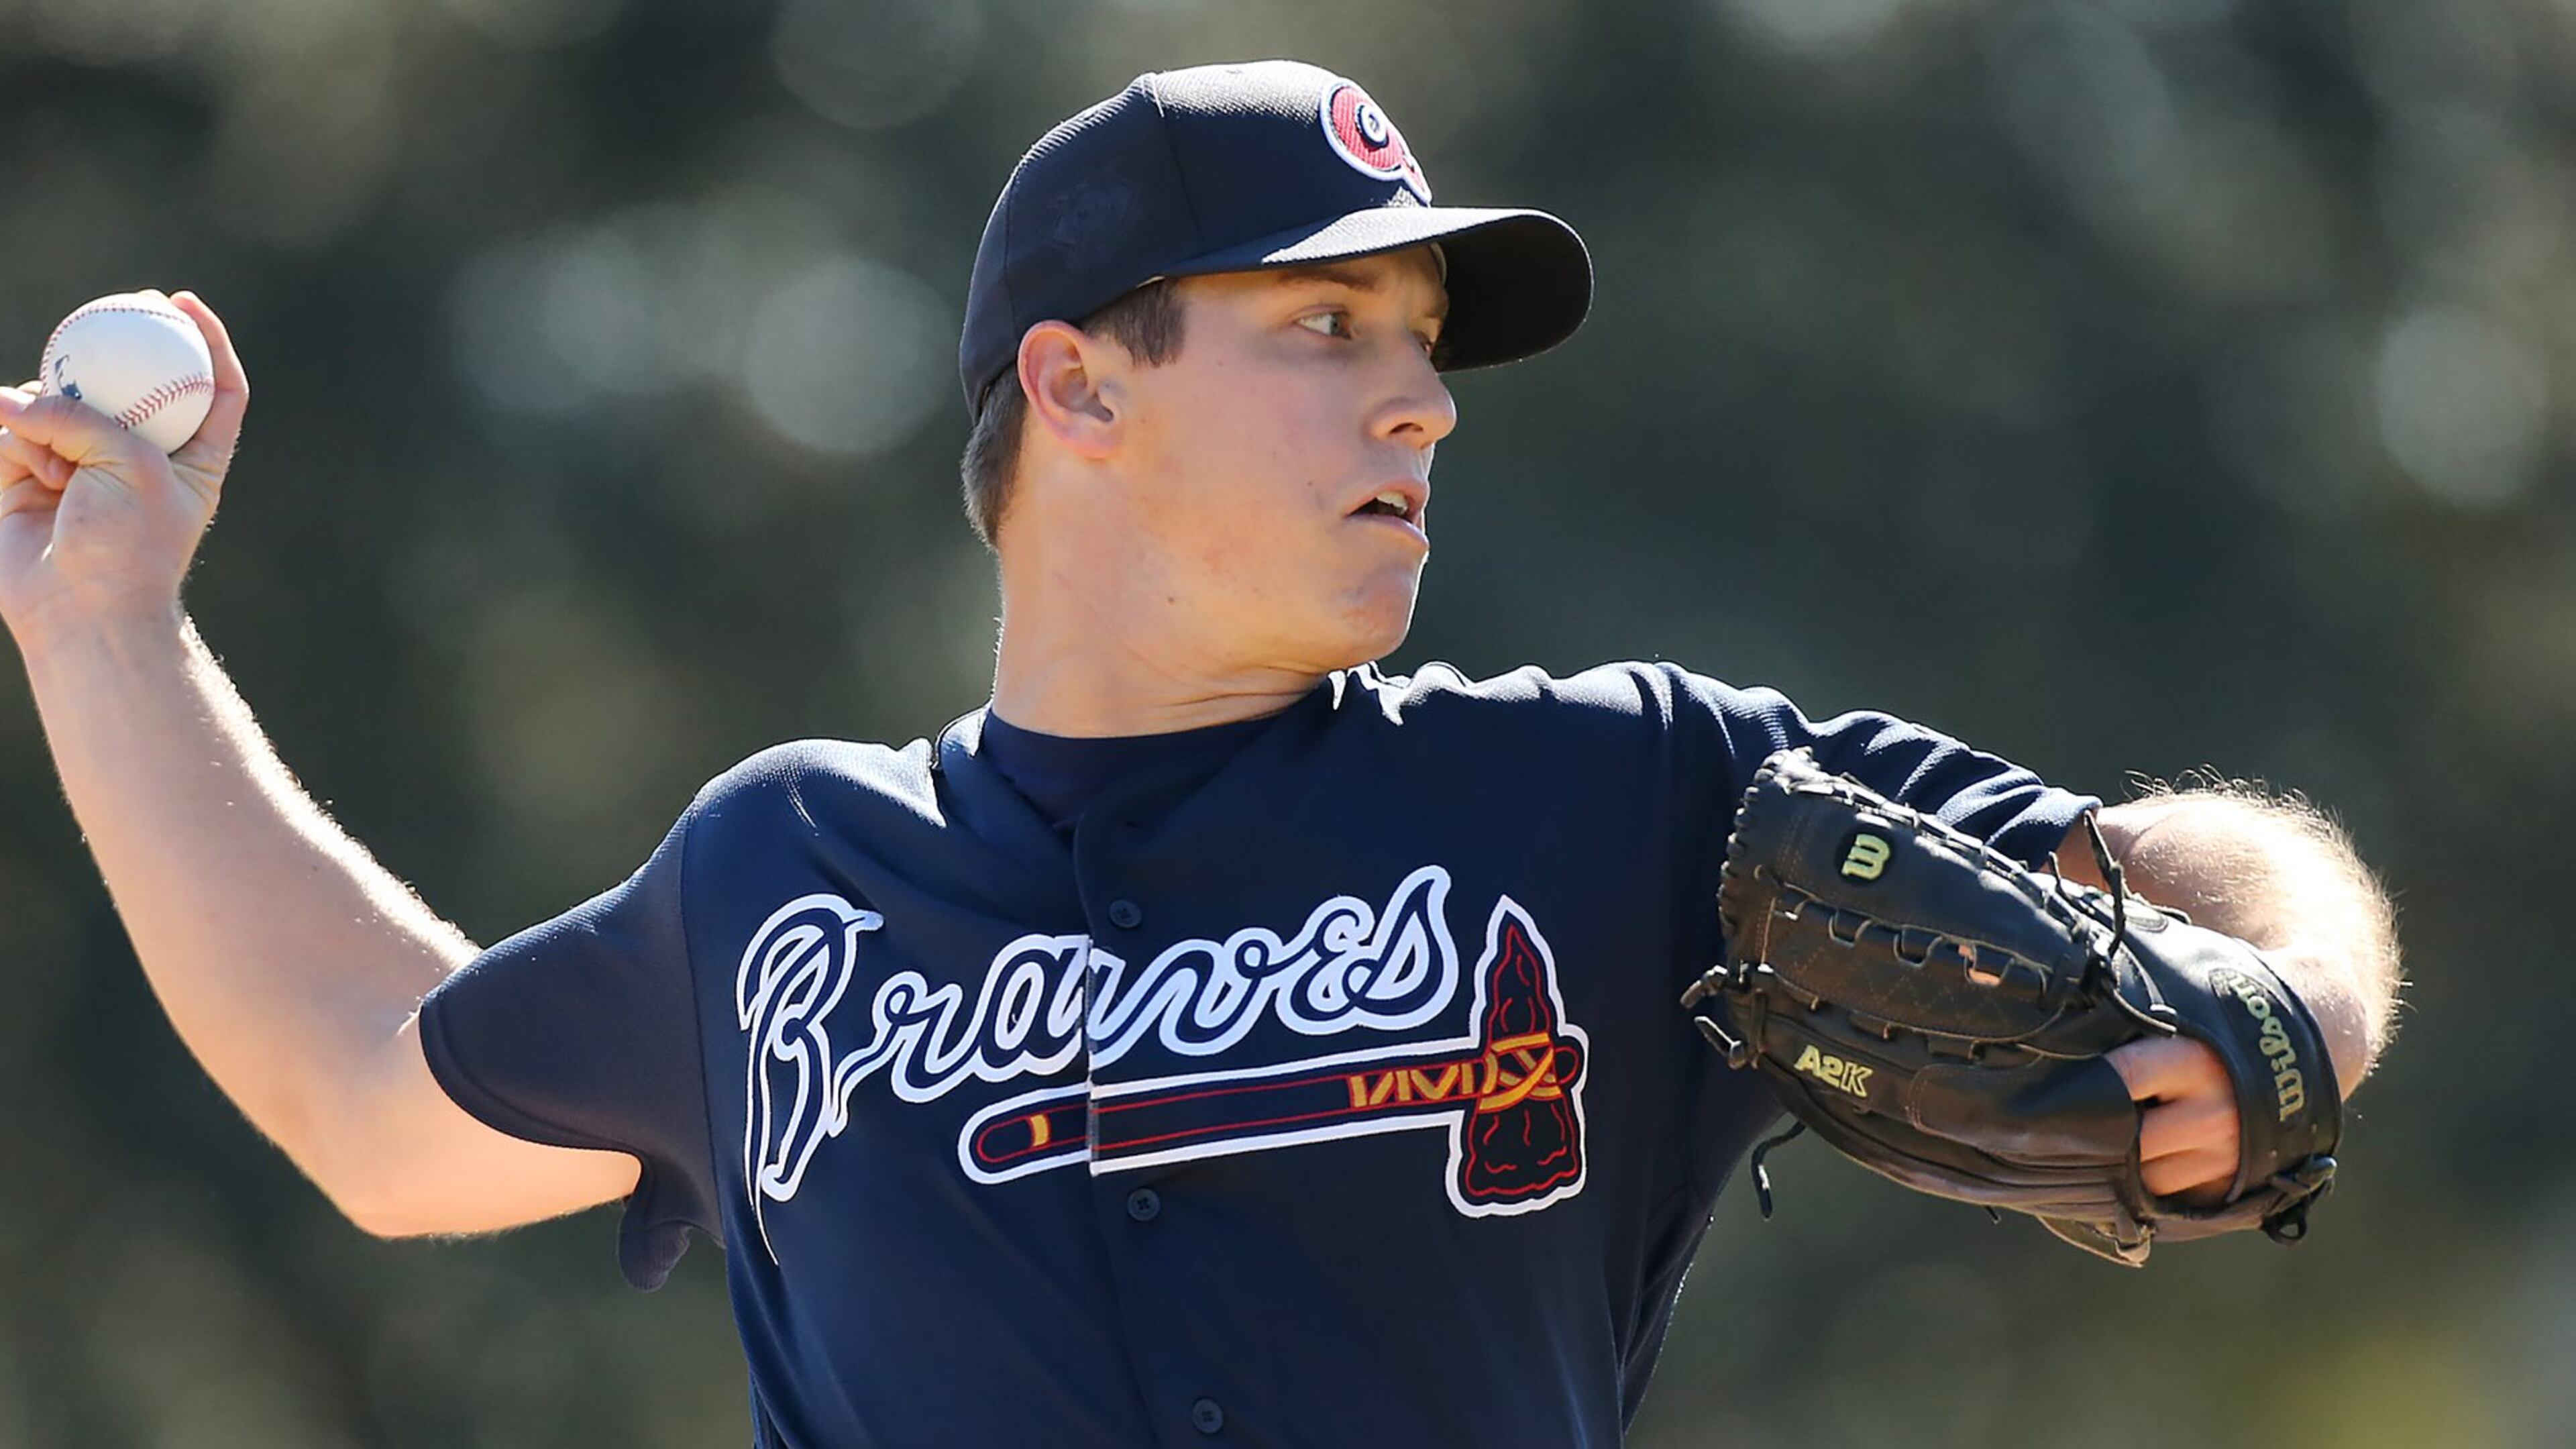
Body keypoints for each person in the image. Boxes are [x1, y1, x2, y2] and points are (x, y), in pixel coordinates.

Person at [0, 60, 2398, 1448]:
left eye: (1429, 333)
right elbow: (361, 1097)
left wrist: (2283, 1002)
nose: (1422, 395)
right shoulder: (787, 885)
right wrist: (104, 629)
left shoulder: (1619, 796)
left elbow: (2196, 883)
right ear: (1078, 385)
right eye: (1330, 321)